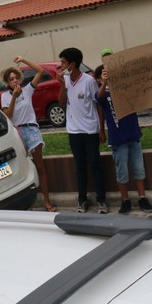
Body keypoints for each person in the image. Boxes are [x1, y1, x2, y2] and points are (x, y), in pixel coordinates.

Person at [94, 63, 152, 214]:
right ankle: (125, 200)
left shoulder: (125, 89)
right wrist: (105, 83)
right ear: (99, 79)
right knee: (122, 171)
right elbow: (99, 98)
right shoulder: (103, 93)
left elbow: (143, 81)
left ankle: (142, 198)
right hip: (118, 139)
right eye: (104, 74)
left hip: (133, 135)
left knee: (139, 168)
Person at [0, 55, 56, 213]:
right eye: (11, 79)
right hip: (17, 133)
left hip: (31, 130)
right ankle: (25, 204)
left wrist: (23, 60)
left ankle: (47, 202)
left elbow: (40, 71)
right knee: (20, 169)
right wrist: (13, 98)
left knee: (40, 167)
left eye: (16, 78)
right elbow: (8, 115)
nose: (15, 81)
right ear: (7, 83)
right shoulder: (5, 96)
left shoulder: (27, 90)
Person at [57, 47, 106, 214]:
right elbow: (61, 103)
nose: (61, 65)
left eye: (63, 62)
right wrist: (61, 84)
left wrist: (101, 129)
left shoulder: (89, 81)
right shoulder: (65, 80)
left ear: (72, 64)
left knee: (95, 165)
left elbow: (98, 104)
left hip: (90, 130)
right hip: (74, 131)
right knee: (80, 167)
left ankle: (101, 200)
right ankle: (82, 200)